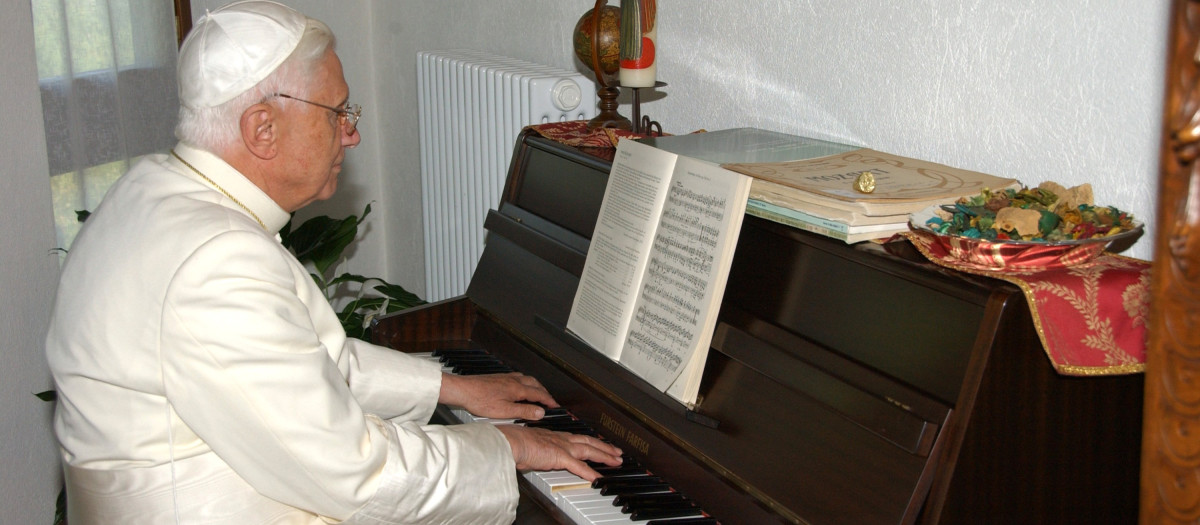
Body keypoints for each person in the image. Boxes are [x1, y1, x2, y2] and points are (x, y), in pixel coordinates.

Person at [43, 1, 622, 523]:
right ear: (262, 128)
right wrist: (512, 447)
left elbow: (308, 362)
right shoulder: (215, 261)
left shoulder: (152, 190)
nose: (351, 135)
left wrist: (453, 388)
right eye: (337, 113)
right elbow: (355, 473)